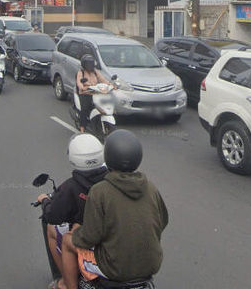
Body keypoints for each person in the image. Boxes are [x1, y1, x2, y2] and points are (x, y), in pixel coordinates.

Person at [60, 130, 169, 289]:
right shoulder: (151, 188)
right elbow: (163, 221)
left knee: (67, 242)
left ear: (108, 158)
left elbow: (89, 237)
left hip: (114, 269)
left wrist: (76, 233)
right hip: (151, 265)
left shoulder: (99, 191)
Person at [36, 134, 108, 287]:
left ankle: (65, 282)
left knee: (55, 231)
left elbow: (53, 216)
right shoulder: (114, 181)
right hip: (115, 238)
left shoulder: (71, 187)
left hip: (95, 242)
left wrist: (45, 201)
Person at [75, 54, 113, 133]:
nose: (90, 65)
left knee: (104, 106)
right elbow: (79, 83)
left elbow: (103, 80)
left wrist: (110, 85)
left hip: (95, 93)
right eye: (88, 64)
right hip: (85, 93)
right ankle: (82, 128)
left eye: (91, 63)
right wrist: (83, 87)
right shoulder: (81, 72)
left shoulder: (95, 72)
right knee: (84, 109)